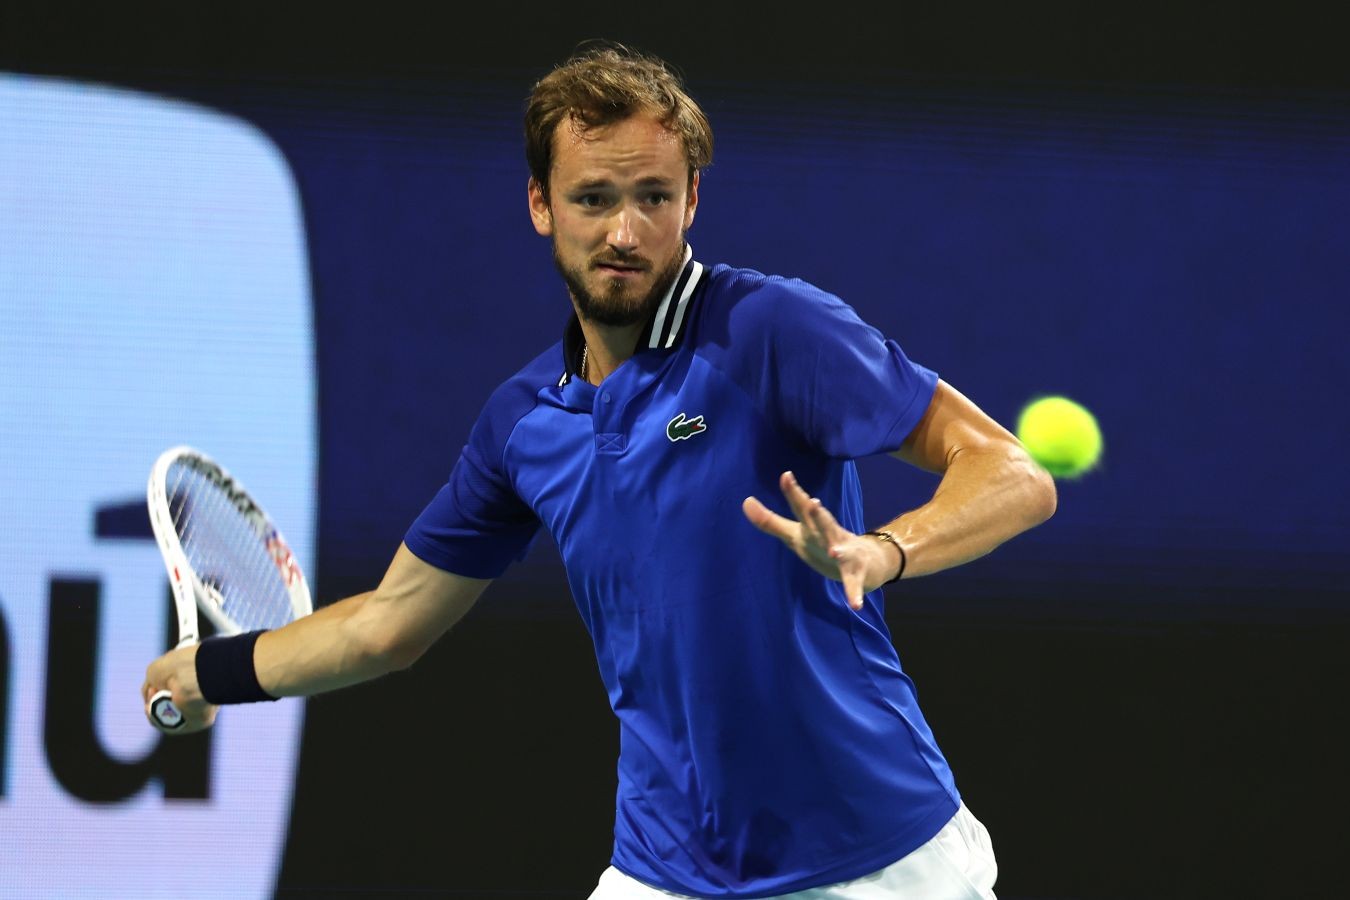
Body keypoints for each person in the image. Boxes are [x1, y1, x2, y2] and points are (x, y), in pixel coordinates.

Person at [144, 43, 1056, 900]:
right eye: (593, 198)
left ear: (692, 201)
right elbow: (387, 625)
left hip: (877, 858)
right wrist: (208, 673)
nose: (625, 230)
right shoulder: (522, 425)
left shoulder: (776, 331)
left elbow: (1011, 472)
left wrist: (882, 551)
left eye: (654, 196)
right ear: (540, 204)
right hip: (666, 867)